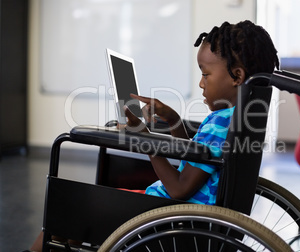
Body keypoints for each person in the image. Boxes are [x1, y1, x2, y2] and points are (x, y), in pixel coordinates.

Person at [27, 20, 279, 251]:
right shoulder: (235, 117)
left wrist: (145, 139)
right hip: (183, 213)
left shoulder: (220, 123)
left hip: (168, 215)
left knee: (68, 214)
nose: (202, 84)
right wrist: (173, 121)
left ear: (237, 76)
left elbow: (180, 188)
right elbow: (193, 162)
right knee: (78, 219)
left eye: (205, 74)